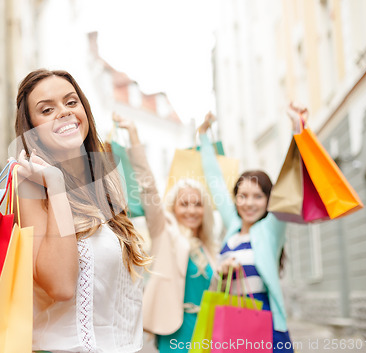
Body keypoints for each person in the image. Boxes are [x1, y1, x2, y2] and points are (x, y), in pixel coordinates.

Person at [13, 69, 151, 353]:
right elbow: (61, 286)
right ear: (32, 132)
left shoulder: (104, 183)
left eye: (71, 102)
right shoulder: (31, 186)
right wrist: (56, 185)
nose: (63, 112)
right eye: (47, 109)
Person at [198, 104, 307, 353]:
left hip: (266, 323)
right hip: (231, 319)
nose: (249, 203)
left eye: (258, 196)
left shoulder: (271, 229)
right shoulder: (233, 228)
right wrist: (204, 136)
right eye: (243, 196)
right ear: (235, 199)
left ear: (269, 200)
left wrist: (297, 129)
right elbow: (215, 181)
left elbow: (291, 181)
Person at [112, 113, 219, 353]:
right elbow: (148, 188)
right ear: (174, 207)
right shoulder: (165, 233)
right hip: (176, 331)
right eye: (184, 203)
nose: (191, 210)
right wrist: (134, 137)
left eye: (197, 203)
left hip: (210, 331)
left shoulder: (207, 246)